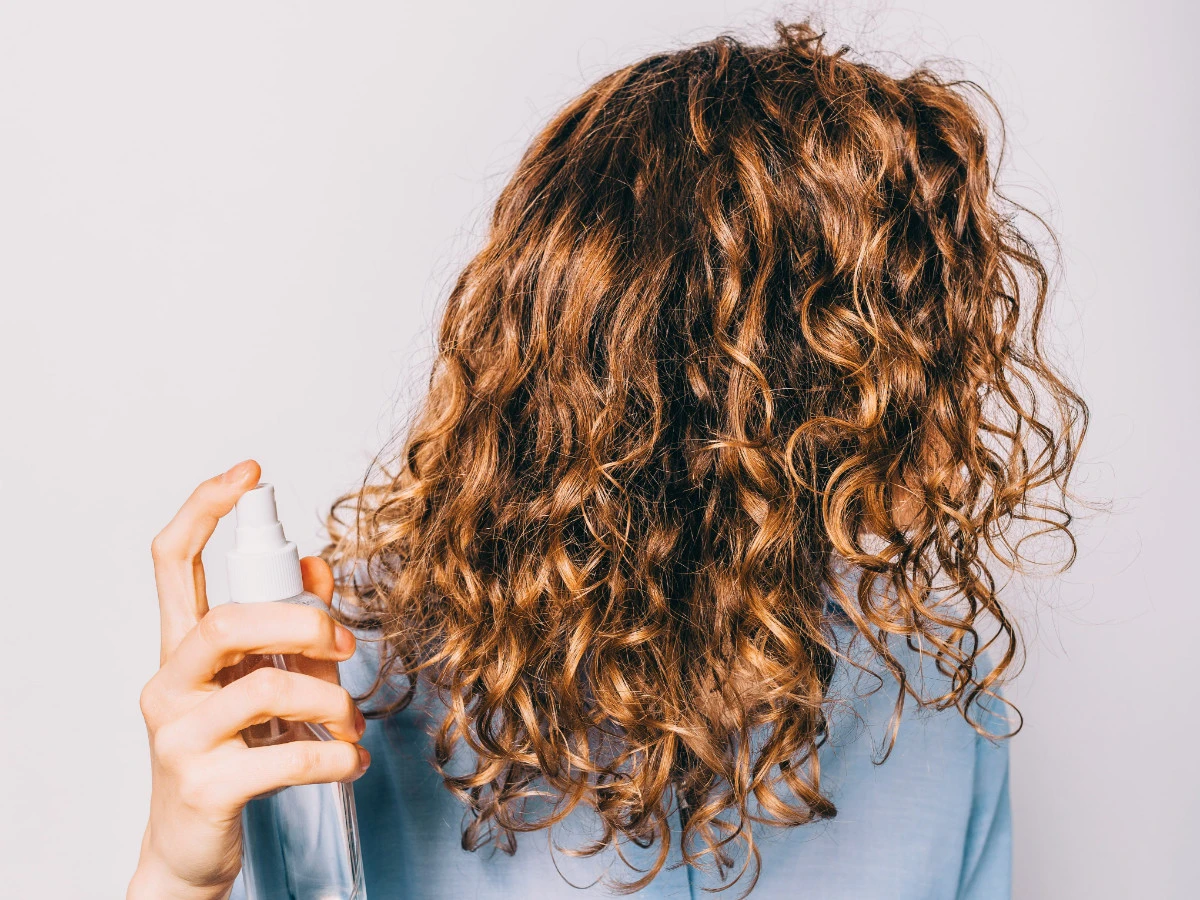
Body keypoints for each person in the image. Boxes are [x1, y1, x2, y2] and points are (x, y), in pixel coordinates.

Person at [127, 21, 1085, 900]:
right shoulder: (333, 699)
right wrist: (177, 874)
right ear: (749, 401)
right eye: (912, 347)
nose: (958, 402)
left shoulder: (935, 720)